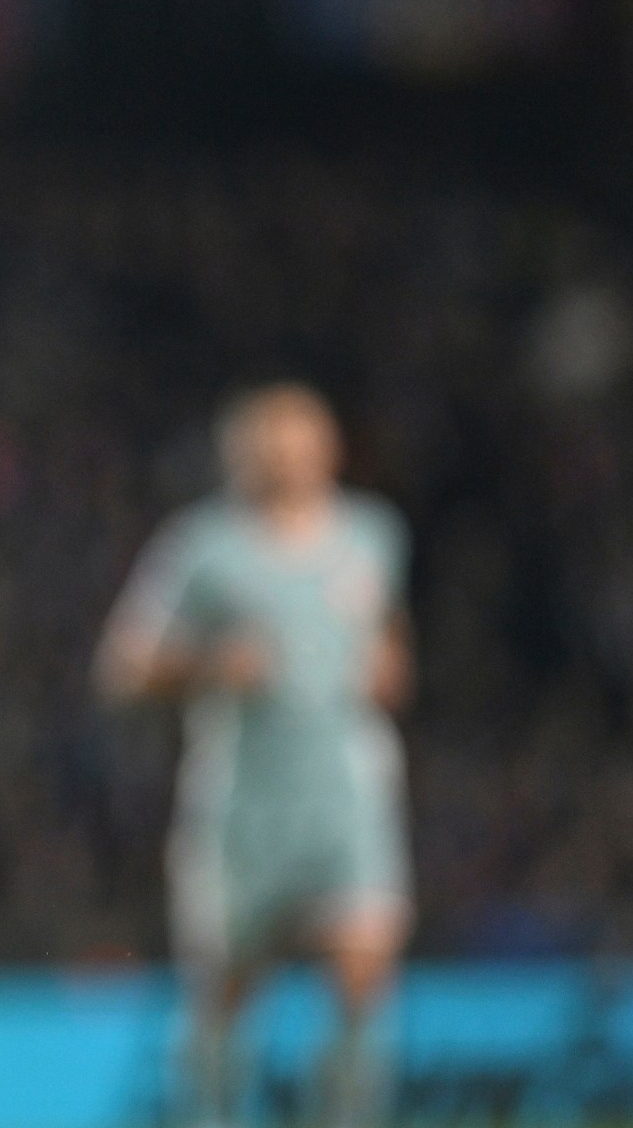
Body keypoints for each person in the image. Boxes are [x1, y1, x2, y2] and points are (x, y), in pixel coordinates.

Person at [96, 384, 414, 1128]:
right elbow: (123, 666)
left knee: (365, 975)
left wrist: (389, 668)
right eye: (271, 446)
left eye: (302, 442)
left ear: (329, 449)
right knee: (227, 994)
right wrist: (210, 664)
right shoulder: (202, 548)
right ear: (241, 457)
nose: (288, 459)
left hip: (348, 792)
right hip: (243, 803)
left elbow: (392, 640)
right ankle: (207, 1112)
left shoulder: (373, 535)